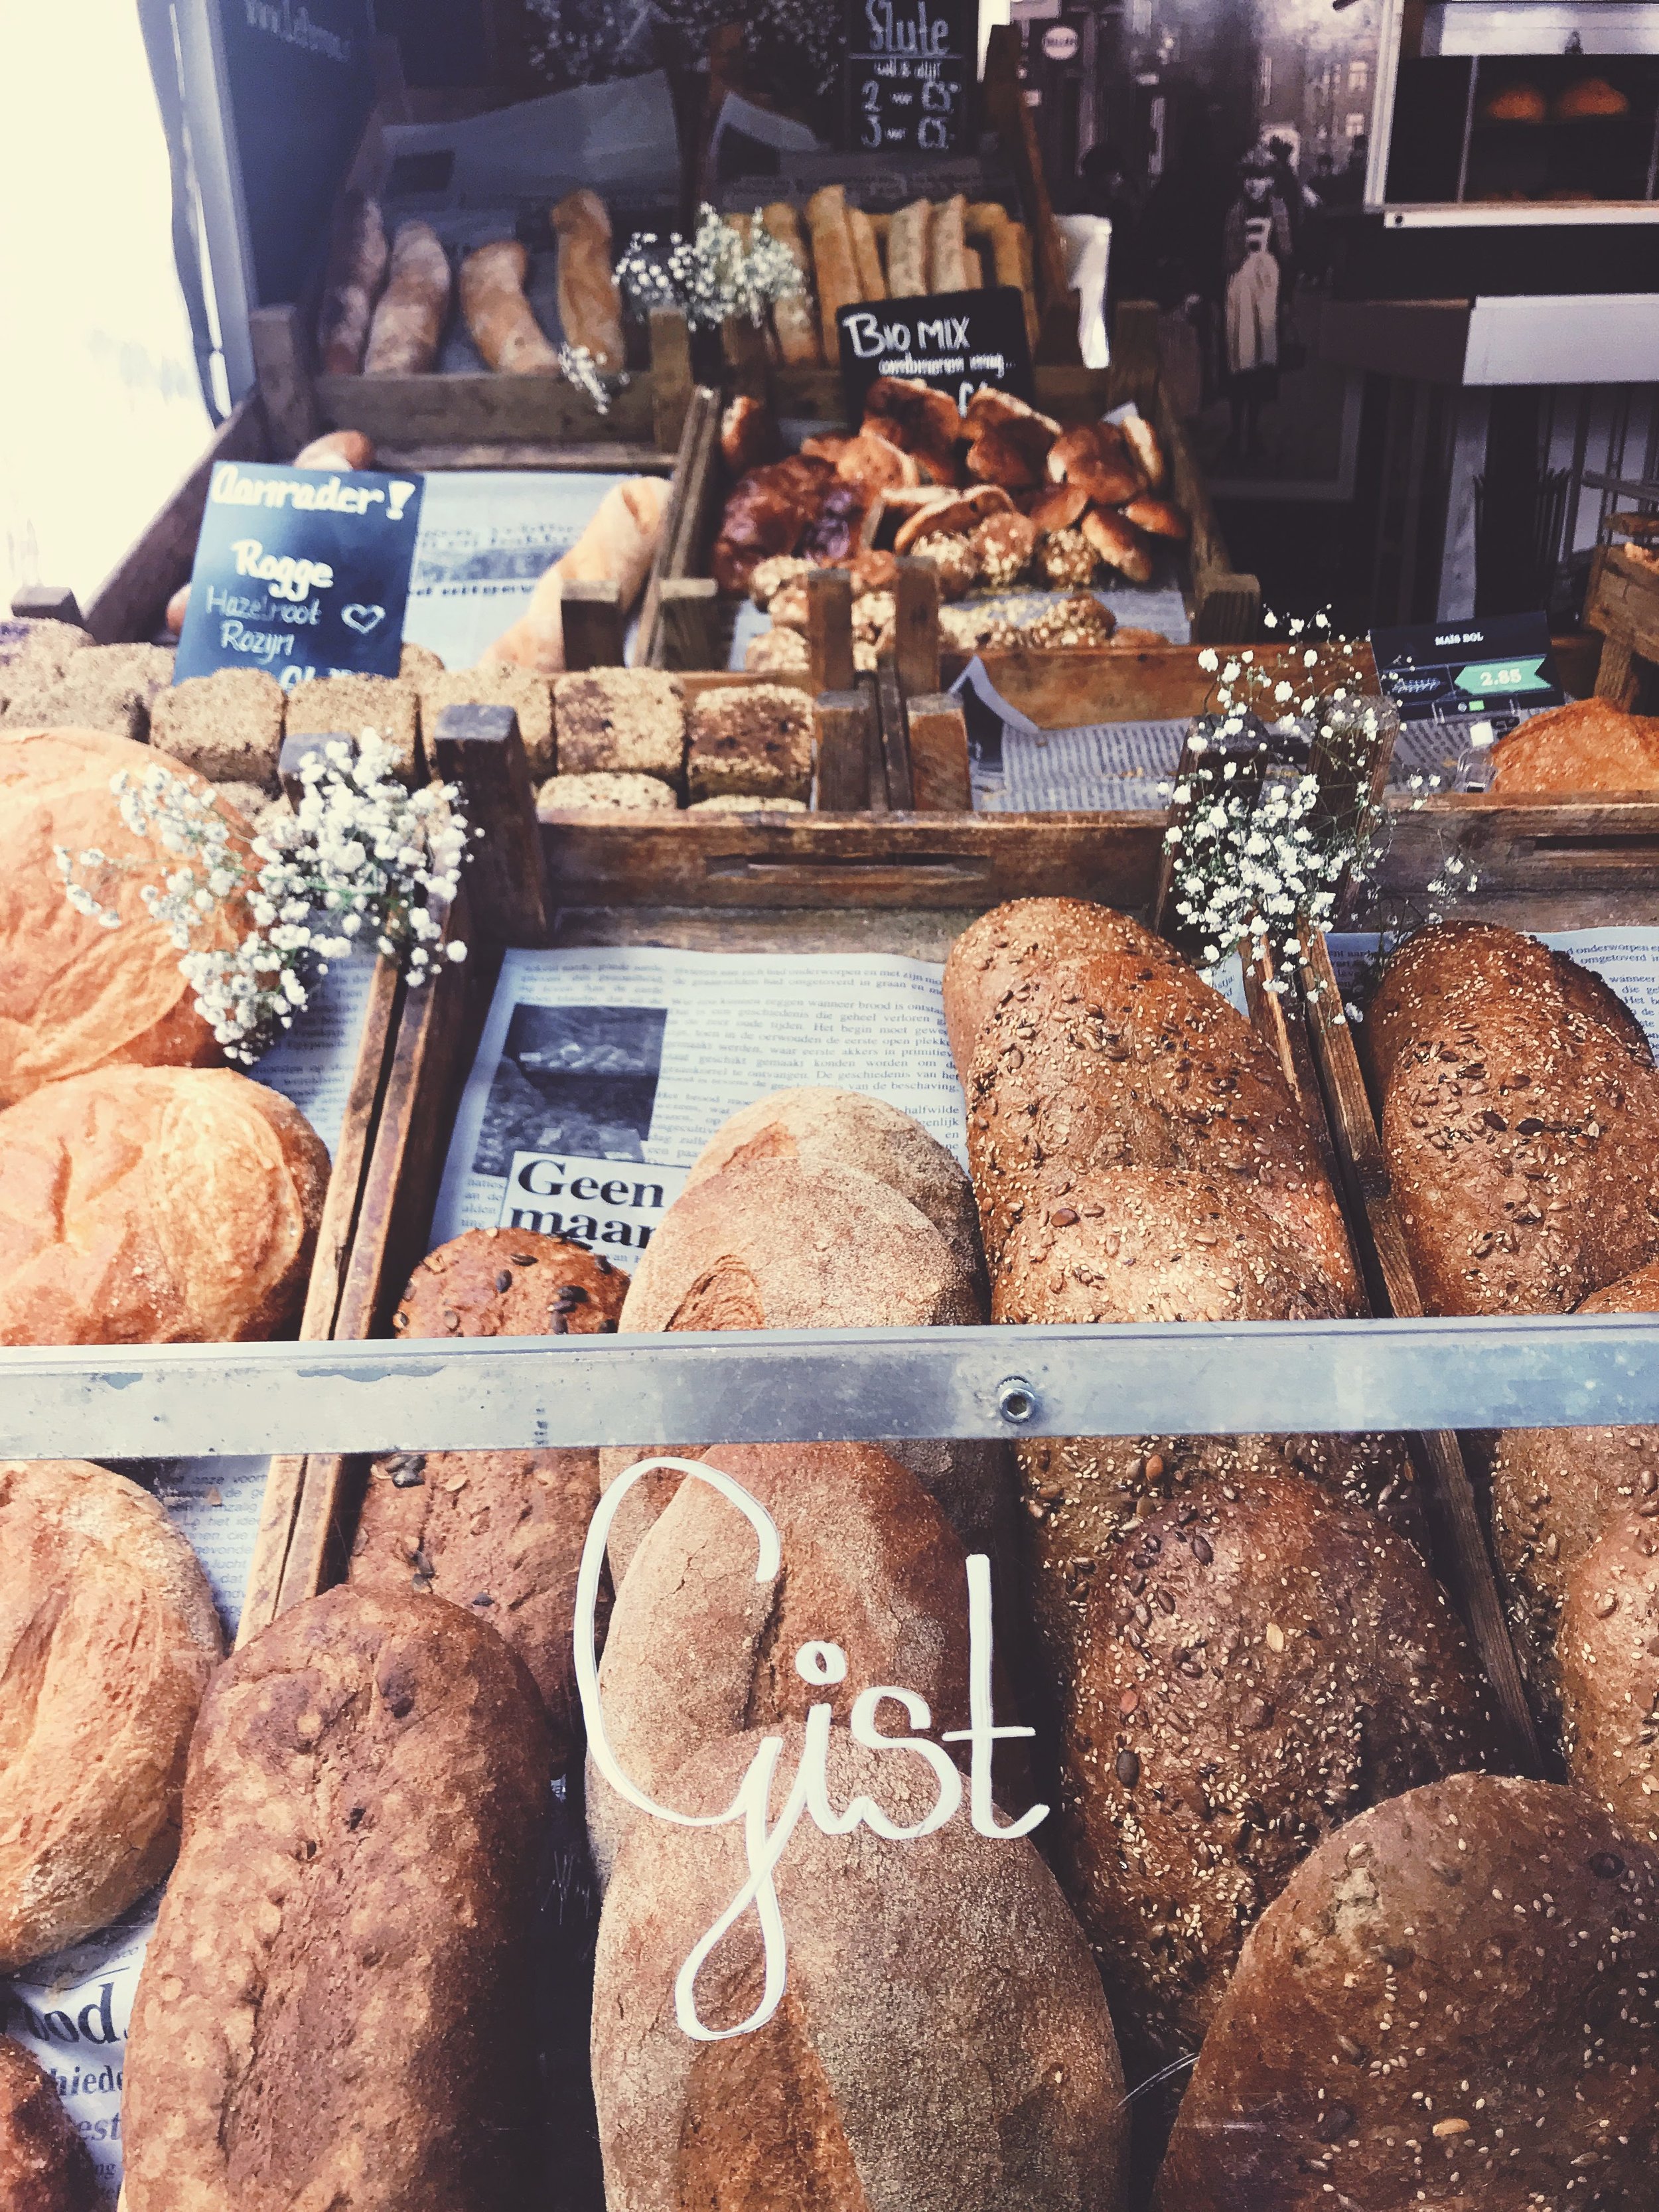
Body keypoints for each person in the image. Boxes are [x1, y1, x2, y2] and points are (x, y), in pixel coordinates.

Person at [1220, 152, 1291, 463]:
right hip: (1239, 284)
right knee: (1240, 354)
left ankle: (1254, 430)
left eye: (1261, 177)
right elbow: (1225, 252)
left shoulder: (1279, 210)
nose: (1254, 184)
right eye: (1250, 177)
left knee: (1262, 355)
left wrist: (1286, 297)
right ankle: (1236, 431)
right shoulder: (1235, 210)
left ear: (1272, 181)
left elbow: (1288, 252)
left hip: (1267, 286)